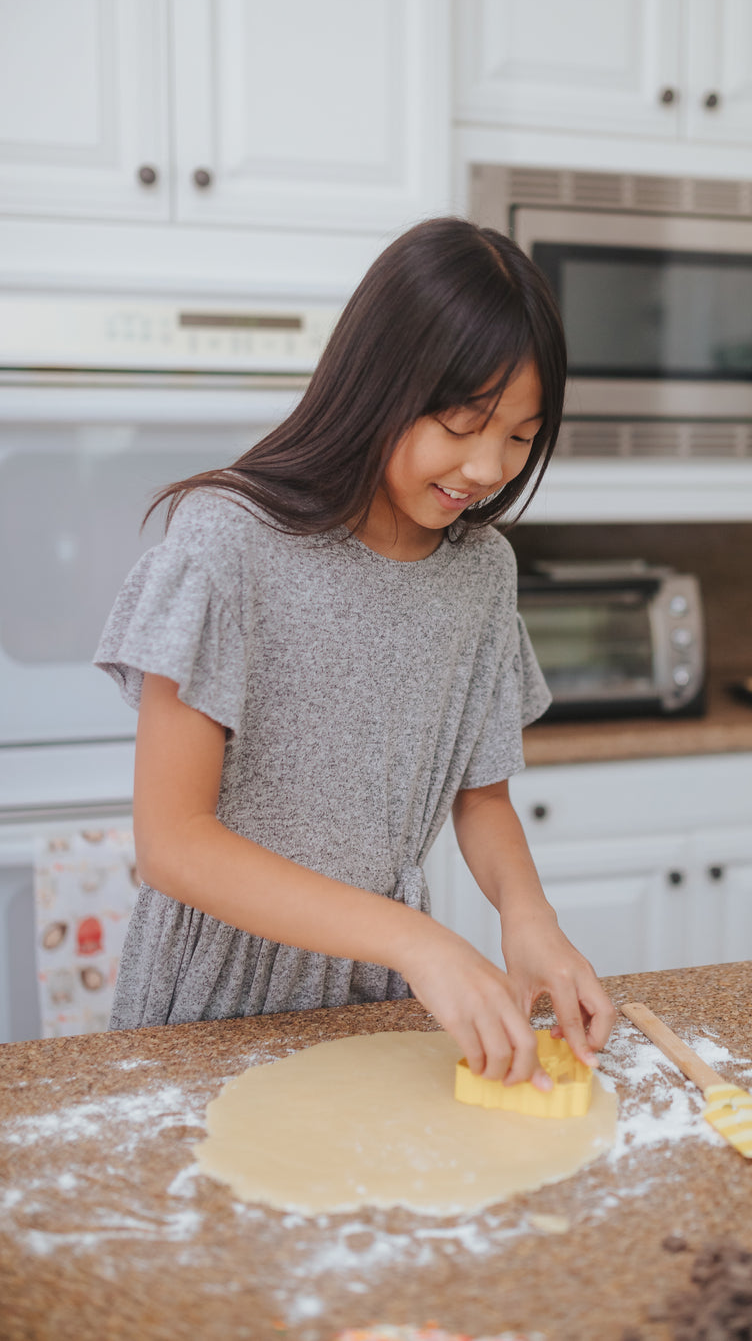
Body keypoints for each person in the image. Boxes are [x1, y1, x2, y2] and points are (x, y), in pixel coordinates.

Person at [95, 216, 616, 1091]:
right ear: (379, 383)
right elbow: (173, 844)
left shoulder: (481, 572)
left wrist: (529, 918)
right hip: (210, 1002)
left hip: (370, 994)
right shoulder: (228, 543)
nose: (489, 466)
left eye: (521, 436)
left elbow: (480, 796)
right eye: (462, 423)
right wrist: (414, 938)